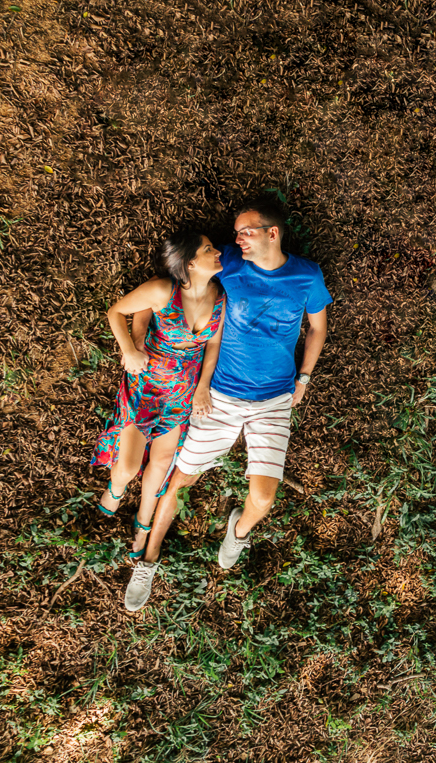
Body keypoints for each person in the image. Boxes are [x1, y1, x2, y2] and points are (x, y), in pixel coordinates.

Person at [124, 197, 331, 611]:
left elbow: (318, 329)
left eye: (245, 232)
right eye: (235, 234)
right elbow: (178, 284)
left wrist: (304, 379)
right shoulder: (229, 264)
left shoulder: (307, 277)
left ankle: (238, 532)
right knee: (180, 480)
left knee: (264, 499)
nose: (235, 240)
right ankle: (146, 560)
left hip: (274, 399)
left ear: (272, 233)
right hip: (219, 396)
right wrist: (136, 340)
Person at [91, 230, 225, 574]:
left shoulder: (220, 297)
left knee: (163, 463)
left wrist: (203, 388)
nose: (219, 252)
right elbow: (116, 312)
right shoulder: (162, 290)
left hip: (183, 389)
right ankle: (116, 490)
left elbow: (212, 347)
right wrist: (129, 351)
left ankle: (143, 522)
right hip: (147, 385)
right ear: (191, 263)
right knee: (129, 465)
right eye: (210, 249)